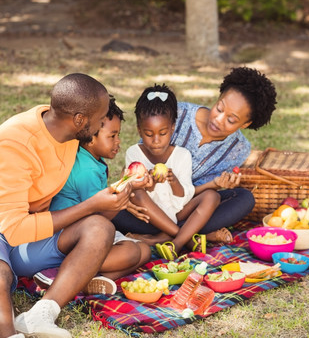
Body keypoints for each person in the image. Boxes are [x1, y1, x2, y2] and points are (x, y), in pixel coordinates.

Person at [0, 73, 133, 338]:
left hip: (28, 226)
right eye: (100, 119)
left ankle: (41, 314)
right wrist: (90, 205)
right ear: (79, 120)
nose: (103, 123)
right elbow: (15, 229)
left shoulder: (68, 133)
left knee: (100, 228)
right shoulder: (16, 142)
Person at [113, 67, 277, 244]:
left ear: (246, 123)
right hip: (148, 208)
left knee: (244, 199)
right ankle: (189, 236)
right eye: (219, 108)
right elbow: (135, 163)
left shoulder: (238, 149)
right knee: (114, 211)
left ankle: (163, 236)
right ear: (219, 97)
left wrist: (215, 185)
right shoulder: (175, 114)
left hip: (184, 206)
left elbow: (192, 195)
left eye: (231, 120)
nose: (218, 120)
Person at [35, 97, 150, 293]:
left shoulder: (88, 159)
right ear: (91, 137)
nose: (118, 142)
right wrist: (129, 189)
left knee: (145, 251)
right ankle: (64, 273)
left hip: (86, 229)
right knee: (132, 252)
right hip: (73, 237)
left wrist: (127, 184)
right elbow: (101, 217)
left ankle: (91, 282)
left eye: (118, 135)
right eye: (112, 136)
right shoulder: (86, 169)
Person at [113, 84, 221, 259]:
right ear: (139, 130)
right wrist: (149, 184)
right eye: (148, 134)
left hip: (178, 212)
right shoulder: (134, 153)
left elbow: (185, 196)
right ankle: (185, 239)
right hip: (149, 216)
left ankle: (171, 242)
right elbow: (131, 190)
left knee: (212, 196)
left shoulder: (182, 155)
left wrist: (173, 181)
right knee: (136, 193)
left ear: (172, 128)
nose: (156, 141)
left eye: (162, 133)